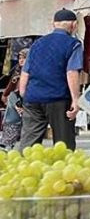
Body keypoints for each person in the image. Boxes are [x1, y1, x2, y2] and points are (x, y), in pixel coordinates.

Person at [18, 9, 83, 150]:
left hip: (33, 98)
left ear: (53, 24)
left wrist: (24, 94)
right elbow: (71, 72)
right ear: (74, 25)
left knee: (28, 144)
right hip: (59, 99)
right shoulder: (73, 44)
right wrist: (76, 100)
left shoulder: (37, 44)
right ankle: (63, 171)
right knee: (63, 145)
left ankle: (22, 169)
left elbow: (25, 71)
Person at [0, 49, 29, 149]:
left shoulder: (32, 71)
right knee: (11, 121)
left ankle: (26, 145)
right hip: (16, 99)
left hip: (29, 99)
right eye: (20, 58)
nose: (21, 60)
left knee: (28, 123)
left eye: (24, 58)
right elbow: (11, 84)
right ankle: (7, 142)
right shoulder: (17, 71)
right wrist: (5, 94)